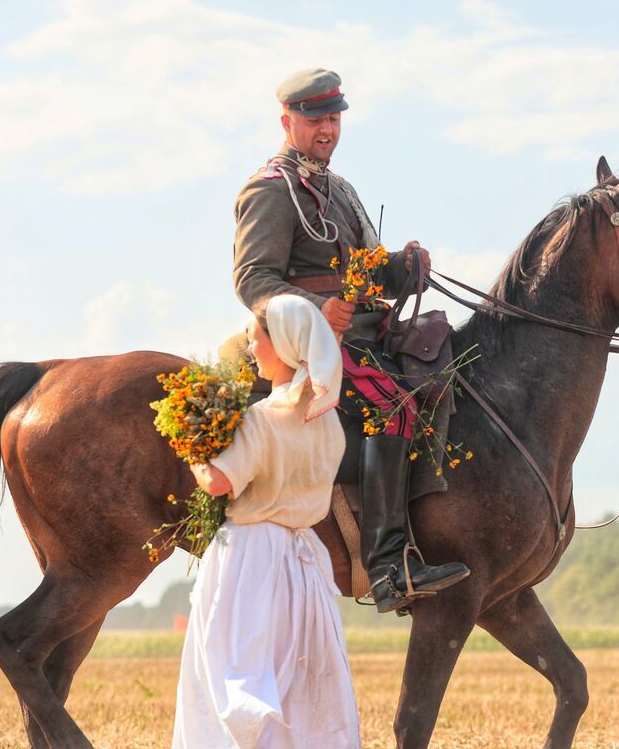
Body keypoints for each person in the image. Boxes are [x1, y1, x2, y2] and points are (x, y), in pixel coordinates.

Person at [230, 68, 468, 613]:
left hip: (360, 330)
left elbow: (363, 271)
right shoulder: (269, 190)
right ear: (287, 121)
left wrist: (402, 268)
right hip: (300, 339)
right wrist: (318, 310)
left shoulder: (341, 190)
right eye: (315, 119)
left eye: (334, 119)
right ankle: (388, 568)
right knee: (393, 409)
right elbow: (252, 280)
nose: (327, 129)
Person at [172, 295, 361, 749]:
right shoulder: (328, 423)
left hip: (250, 565)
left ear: (283, 345)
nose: (250, 348)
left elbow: (218, 483)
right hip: (303, 569)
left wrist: (194, 451)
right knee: (299, 684)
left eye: (255, 338)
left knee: (230, 676)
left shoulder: (261, 419)